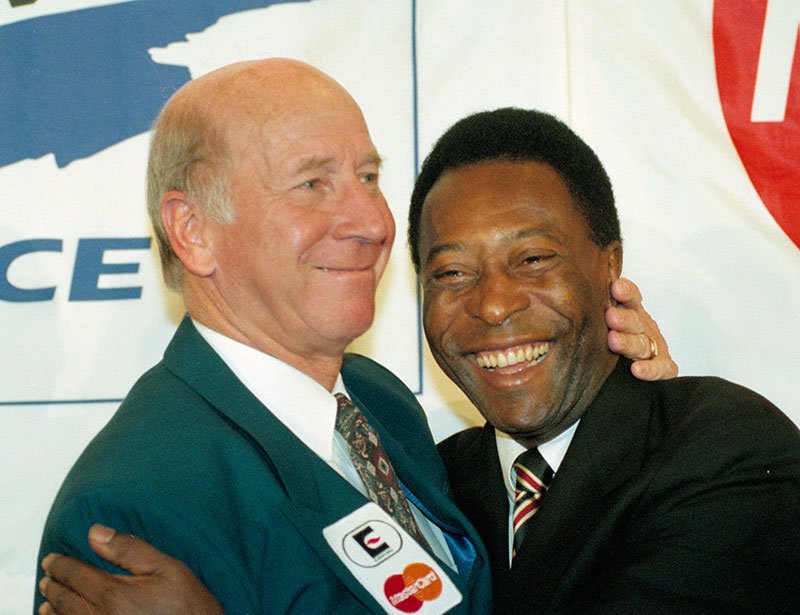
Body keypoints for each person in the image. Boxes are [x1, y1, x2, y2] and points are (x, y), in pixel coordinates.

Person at [34, 67, 674, 615]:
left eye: (368, 177)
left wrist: (624, 416)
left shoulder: (378, 400)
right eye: (313, 184)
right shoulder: (131, 508)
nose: (373, 222)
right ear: (193, 230)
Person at [411, 108, 800, 613]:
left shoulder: (728, 450)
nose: (494, 305)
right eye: (452, 272)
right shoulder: (427, 492)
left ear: (610, 264)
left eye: (533, 259)